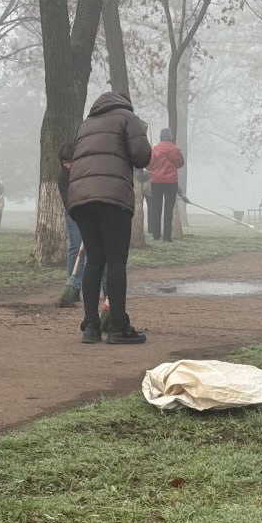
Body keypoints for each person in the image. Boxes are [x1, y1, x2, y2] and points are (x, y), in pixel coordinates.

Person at [68, 92, 152, 345]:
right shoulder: (128, 118)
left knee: (94, 261)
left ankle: (91, 327)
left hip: (80, 199)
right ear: (124, 103)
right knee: (116, 263)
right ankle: (117, 327)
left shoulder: (86, 124)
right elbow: (141, 156)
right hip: (113, 197)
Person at [57, 142, 86, 306]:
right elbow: (67, 202)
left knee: (91, 251)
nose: (67, 165)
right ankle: (73, 287)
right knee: (76, 248)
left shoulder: (84, 173)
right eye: (64, 162)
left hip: (88, 212)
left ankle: (105, 288)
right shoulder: (63, 178)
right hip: (73, 215)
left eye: (70, 161)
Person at [147, 128, 185, 242]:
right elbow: (180, 164)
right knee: (168, 209)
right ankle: (167, 236)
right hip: (171, 182)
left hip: (156, 181)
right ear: (171, 137)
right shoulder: (175, 150)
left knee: (156, 208)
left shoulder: (155, 150)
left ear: (160, 137)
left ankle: (156, 235)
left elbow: (148, 166)